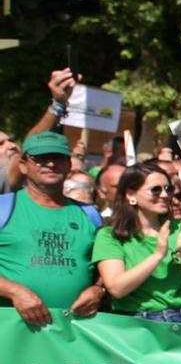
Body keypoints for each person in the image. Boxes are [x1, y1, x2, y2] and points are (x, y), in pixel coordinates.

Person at [0, 131, 109, 326]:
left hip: (74, 333)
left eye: (57, 158)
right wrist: (13, 291)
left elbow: (106, 265)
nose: (50, 164)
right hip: (11, 332)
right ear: (23, 166)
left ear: (68, 164)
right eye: (41, 159)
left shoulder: (89, 214)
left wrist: (98, 290)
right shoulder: (4, 207)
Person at [92, 163, 181, 323]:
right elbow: (117, 288)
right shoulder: (109, 235)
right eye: (155, 189)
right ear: (130, 194)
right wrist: (158, 255)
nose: (164, 195)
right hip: (136, 321)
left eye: (168, 189)